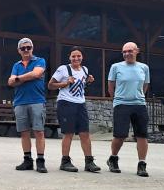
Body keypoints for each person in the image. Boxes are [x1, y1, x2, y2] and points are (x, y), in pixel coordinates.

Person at [48, 47, 101, 172]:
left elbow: (81, 86)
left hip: (80, 103)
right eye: (73, 56)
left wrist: (88, 81)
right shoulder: (63, 69)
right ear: (69, 57)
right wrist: (65, 83)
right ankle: (65, 161)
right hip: (66, 103)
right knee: (69, 133)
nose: (76, 58)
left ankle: (89, 162)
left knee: (85, 133)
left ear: (82, 57)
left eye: (78, 56)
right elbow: (50, 85)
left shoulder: (85, 69)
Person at [107, 41, 151, 177]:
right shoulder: (115, 67)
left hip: (139, 104)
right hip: (121, 104)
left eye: (130, 51)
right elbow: (110, 85)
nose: (127, 54)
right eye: (124, 52)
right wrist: (116, 100)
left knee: (142, 135)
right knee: (120, 135)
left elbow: (145, 85)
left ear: (136, 51)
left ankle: (142, 164)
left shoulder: (144, 67)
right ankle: (113, 159)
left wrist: (139, 96)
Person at [7, 37, 48, 173]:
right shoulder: (16, 65)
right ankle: (27, 160)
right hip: (20, 102)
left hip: (37, 100)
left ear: (32, 48)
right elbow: (10, 82)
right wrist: (28, 77)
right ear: (19, 50)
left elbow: (36, 74)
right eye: (23, 48)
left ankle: (40, 161)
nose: (26, 50)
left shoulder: (40, 61)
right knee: (24, 132)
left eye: (28, 47)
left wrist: (18, 78)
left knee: (39, 132)